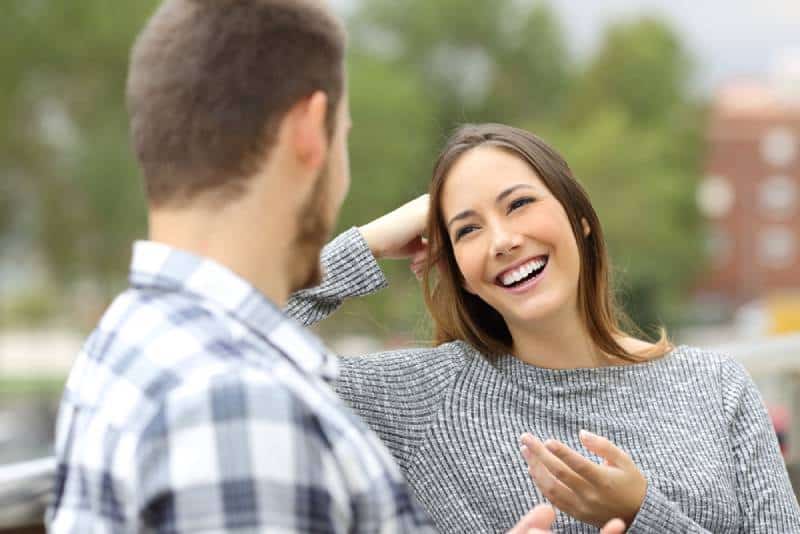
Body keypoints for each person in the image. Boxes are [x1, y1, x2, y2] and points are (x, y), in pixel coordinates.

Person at [46, 1, 625, 532]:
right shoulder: (238, 405)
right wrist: (362, 247)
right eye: (344, 135)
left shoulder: (128, 341)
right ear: (310, 131)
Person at [287, 123, 800, 532]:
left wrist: (642, 514)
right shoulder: (420, 400)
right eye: (468, 229)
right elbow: (239, 339)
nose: (502, 240)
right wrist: (370, 242)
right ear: (459, 272)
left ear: (579, 218)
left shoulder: (715, 387)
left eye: (518, 204)